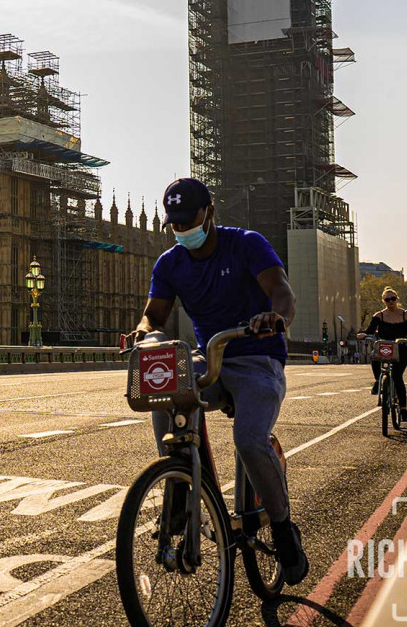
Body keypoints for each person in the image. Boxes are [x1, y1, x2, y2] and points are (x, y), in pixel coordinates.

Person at [127, 177, 308, 586]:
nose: (180, 229)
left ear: (208, 213)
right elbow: (153, 315)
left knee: (248, 441)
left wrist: (274, 317)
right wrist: (144, 331)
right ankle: (183, 484)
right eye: (173, 223)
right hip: (211, 357)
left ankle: (282, 528)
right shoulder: (170, 264)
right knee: (167, 385)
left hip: (256, 357)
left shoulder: (246, 244)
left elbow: (282, 292)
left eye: (187, 220)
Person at [358, 287, 407, 422]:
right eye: (387, 299)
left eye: (393, 299)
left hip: (401, 348)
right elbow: (370, 330)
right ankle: (378, 380)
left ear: (397, 299)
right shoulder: (379, 315)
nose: (390, 302)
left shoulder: (405, 314)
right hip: (384, 347)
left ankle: (403, 409)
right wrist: (364, 334)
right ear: (383, 301)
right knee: (374, 356)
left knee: (397, 376)